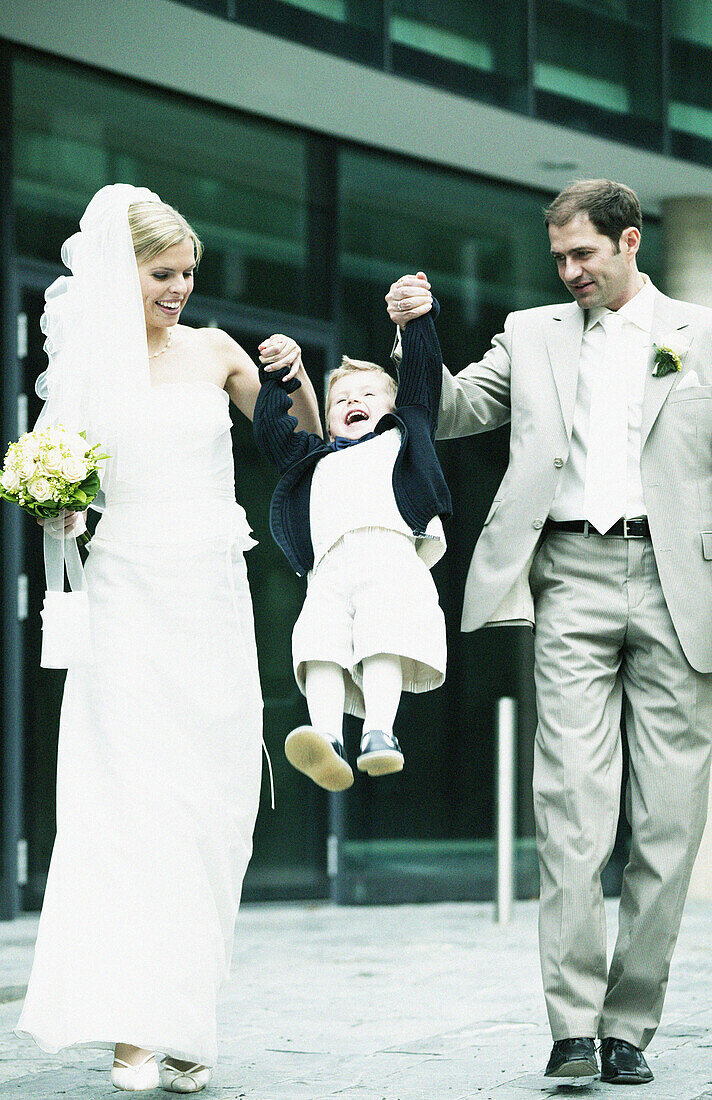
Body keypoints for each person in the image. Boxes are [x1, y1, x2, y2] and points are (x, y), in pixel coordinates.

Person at [387, 180, 712, 1086]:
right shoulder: (530, 335)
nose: (569, 272)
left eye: (584, 255)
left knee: (667, 824)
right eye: (559, 258)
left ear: (631, 241)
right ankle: (573, 1026)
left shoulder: (701, 335)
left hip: (680, 584)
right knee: (569, 811)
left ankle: (630, 1027)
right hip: (567, 578)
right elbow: (450, 411)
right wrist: (416, 334)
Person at [15, 184, 321, 1093]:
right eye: (163, 272)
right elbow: (55, 482)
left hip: (210, 600)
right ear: (123, 271)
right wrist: (58, 506)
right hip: (124, 601)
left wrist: (297, 379)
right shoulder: (87, 366)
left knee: (211, 808)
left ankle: (187, 1016)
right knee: (126, 807)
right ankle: (133, 1033)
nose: (180, 287)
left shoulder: (216, 352)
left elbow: (296, 448)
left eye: (188, 272)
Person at [252, 301, 451, 790]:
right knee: (318, 645)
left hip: (390, 560)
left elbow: (423, 379)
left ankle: (380, 732)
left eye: (367, 394)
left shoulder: (403, 439)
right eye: (339, 399)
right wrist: (281, 378)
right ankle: (326, 740)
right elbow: (271, 433)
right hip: (330, 570)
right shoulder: (313, 459)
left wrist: (416, 321)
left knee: (383, 638)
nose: (351, 402)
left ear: (391, 407)